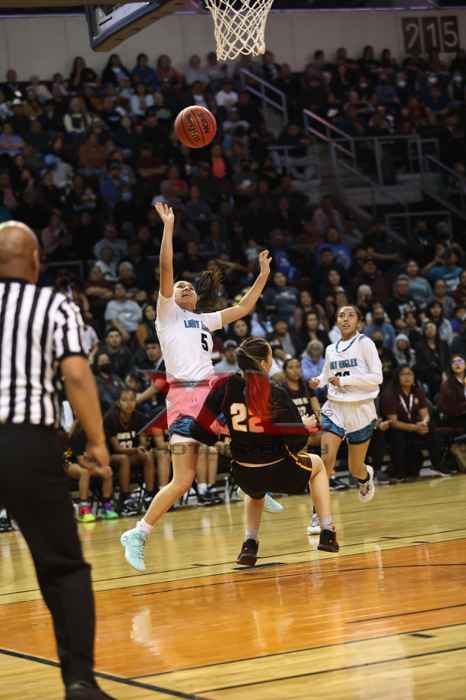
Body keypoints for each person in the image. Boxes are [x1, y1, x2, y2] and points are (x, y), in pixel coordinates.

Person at [121, 203, 271, 571]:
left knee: (247, 426)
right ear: (171, 296)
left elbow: (245, 307)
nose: (184, 287)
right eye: (180, 286)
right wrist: (169, 227)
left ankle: (255, 484)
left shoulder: (205, 320)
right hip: (184, 396)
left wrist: (263, 274)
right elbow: (166, 268)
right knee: (183, 478)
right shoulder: (167, 316)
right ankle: (138, 533)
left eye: (189, 286)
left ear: (197, 297)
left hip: (210, 392)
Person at [0, 221, 114, 700]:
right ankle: (80, 682)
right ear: (36, 260)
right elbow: (77, 374)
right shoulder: (53, 304)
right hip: (26, 440)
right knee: (63, 567)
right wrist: (97, 442)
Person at [194, 337, 339, 563]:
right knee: (318, 465)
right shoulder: (276, 392)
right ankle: (327, 532)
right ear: (263, 363)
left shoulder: (225, 386)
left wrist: (225, 438)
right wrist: (302, 426)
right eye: (270, 356)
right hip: (279, 470)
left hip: (243, 472)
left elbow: (197, 429)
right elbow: (297, 443)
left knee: (255, 491)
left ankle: (249, 544)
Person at [309, 305, 383, 534]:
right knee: (325, 461)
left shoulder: (365, 344)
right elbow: (327, 374)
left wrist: (345, 381)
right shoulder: (331, 348)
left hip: (360, 409)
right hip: (335, 408)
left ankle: (365, 477)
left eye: (351, 315)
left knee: (354, 468)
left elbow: (377, 377)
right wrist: (318, 381)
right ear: (336, 321)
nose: (345, 319)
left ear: (359, 321)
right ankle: (318, 515)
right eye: (341, 315)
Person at [382, 367, 442, 480]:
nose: (407, 377)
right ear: (397, 377)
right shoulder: (390, 394)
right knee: (396, 433)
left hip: (414, 427)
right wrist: (415, 428)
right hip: (398, 429)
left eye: (410, 374)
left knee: (431, 428)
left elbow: (425, 414)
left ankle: (438, 466)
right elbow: (394, 422)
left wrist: (423, 423)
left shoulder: (417, 391)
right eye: (403, 374)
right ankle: (399, 472)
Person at [104, 388, 156, 515]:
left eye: (132, 400)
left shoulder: (140, 417)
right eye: (125, 400)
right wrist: (136, 449)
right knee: (123, 458)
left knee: (147, 455)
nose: (129, 404)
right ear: (118, 402)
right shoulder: (110, 418)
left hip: (132, 455)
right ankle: (125, 497)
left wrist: (142, 447)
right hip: (111, 457)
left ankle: (149, 495)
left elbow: (143, 441)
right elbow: (117, 449)